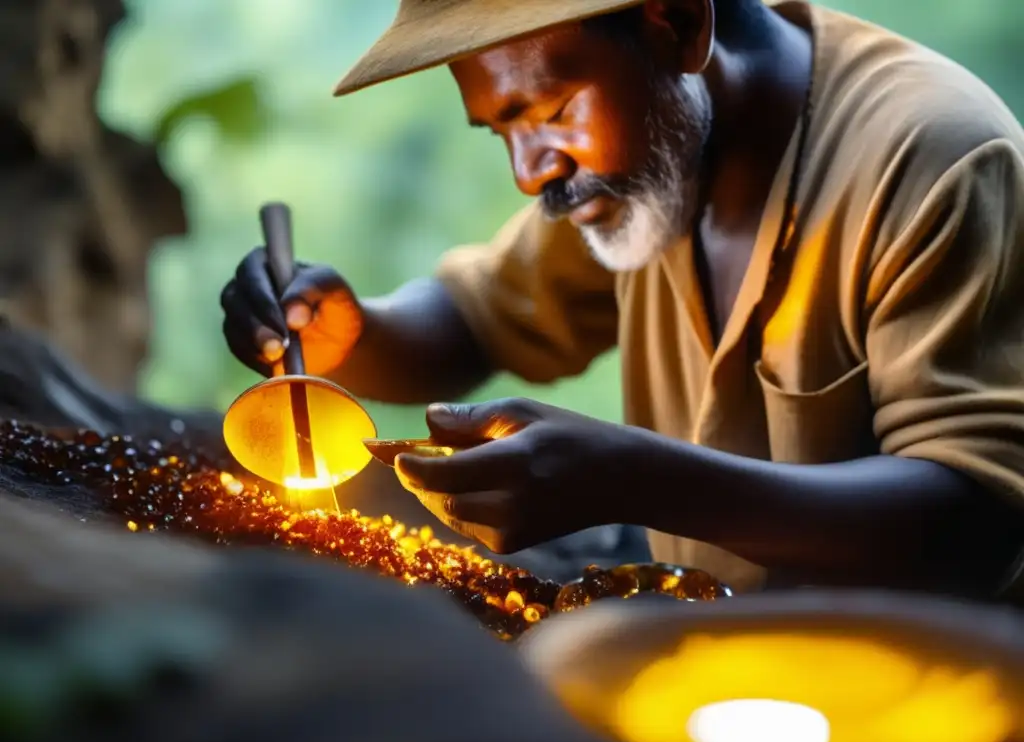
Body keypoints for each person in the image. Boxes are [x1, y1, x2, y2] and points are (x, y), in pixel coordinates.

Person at [220, 0, 1024, 601]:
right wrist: (350, 334)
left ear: (676, 24)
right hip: (725, 654)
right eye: (499, 132)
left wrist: (638, 480)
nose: (530, 172)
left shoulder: (934, 158)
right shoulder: (649, 166)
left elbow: (973, 520)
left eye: (548, 113)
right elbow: (473, 321)